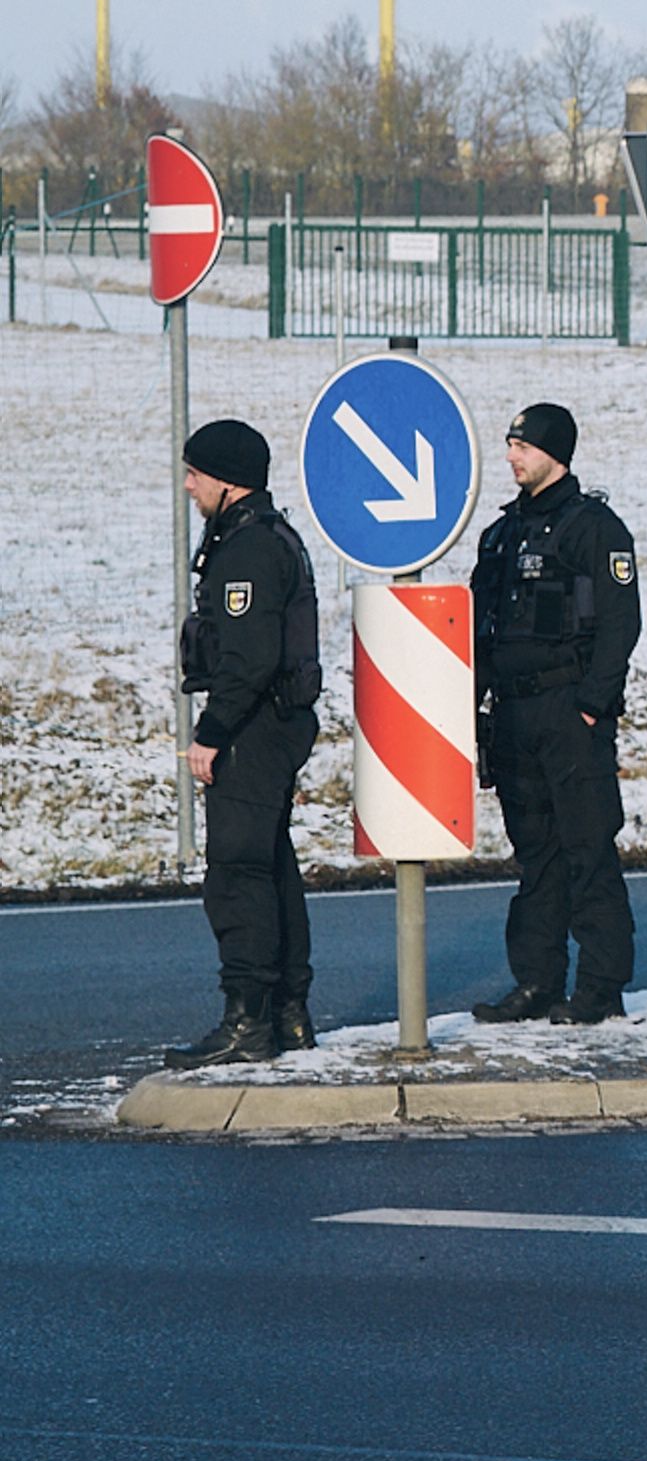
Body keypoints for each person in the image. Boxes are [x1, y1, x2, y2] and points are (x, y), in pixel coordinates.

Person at [469, 401, 641, 1024]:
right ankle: (537, 981)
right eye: (510, 445)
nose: (510, 456)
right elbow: (479, 629)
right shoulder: (502, 533)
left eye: (522, 446)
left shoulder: (594, 528)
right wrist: (472, 704)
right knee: (535, 856)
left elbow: (621, 623)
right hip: (513, 715)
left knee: (586, 849)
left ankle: (600, 986)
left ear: (554, 453)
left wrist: (592, 706)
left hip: (569, 713)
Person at [174, 419, 320, 1065]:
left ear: (228, 481)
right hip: (273, 722)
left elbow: (249, 659)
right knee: (270, 867)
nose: (188, 486)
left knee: (236, 872)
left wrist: (211, 734)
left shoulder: (249, 549)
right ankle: (288, 1015)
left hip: (254, 728)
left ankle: (247, 1023)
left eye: (196, 474)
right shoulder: (263, 536)